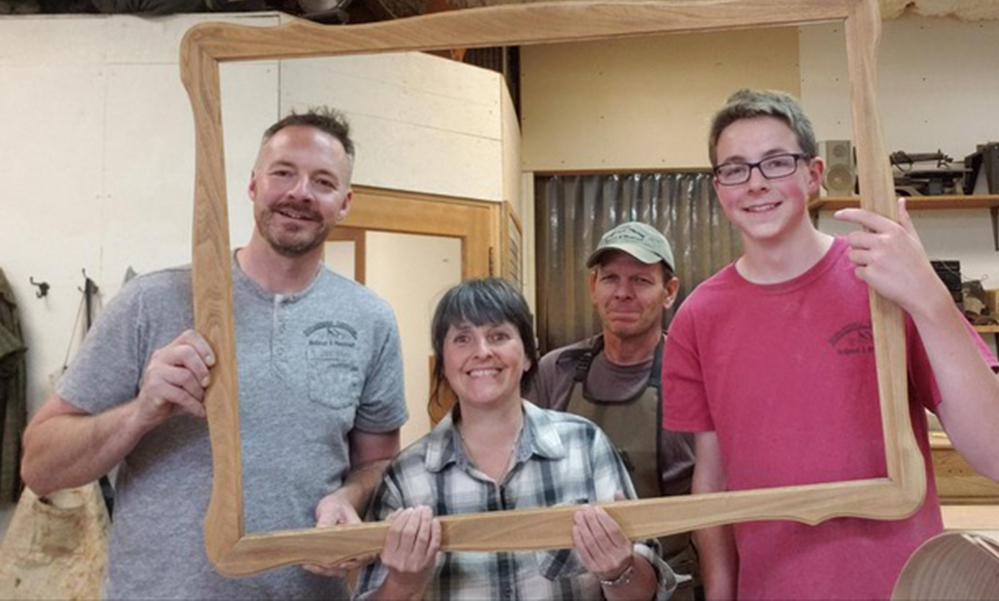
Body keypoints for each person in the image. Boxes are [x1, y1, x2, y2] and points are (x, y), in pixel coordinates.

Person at [21, 107, 408, 599]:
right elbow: (39, 465)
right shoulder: (152, 302)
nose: (300, 193)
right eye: (283, 173)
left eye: (323, 181)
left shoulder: (370, 319)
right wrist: (141, 412)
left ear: (346, 202)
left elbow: (378, 462)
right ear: (252, 185)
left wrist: (349, 498)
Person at [662, 89, 999, 600]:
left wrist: (930, 298)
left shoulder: (885, 279)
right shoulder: (698, 316)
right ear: (718, 186)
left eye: (776, 162)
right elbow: (713, 480)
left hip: (902, 589)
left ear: (813, 174)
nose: (757, 182)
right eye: (735, 168)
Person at [354, 278, 678, 600]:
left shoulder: (585, 446)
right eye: (462, 339)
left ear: (526, 356)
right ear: (443, 361)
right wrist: (403, 584)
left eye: (499, 336)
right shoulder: (407, 477)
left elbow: (644, 592)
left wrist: (618, 570)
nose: (482, 352)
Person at [527, 221, 701, 599]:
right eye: (610, 279)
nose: (623, 293)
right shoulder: (555, 372)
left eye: (640, 280)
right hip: (570, 584)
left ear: (669, 292)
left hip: (670, 586)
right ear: (593, 287)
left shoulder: (693, 375)